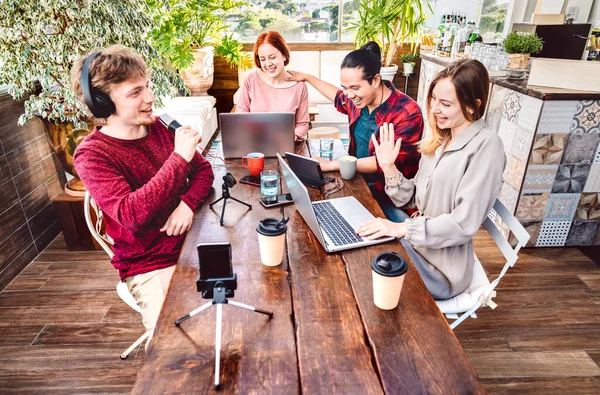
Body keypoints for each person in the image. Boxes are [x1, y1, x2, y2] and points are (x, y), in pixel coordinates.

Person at [71, 46, 215, 345]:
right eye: (135, 92)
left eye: (147, 86)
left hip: (195, 239)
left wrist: (187, 205)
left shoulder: (161, 126)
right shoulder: (92, 155)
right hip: (151, 261)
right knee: (173, 345)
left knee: (237, 313)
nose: (149, 97)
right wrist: (178, 158)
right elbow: (133, 215)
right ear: (102, 104)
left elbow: (204, 172)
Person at [357, 59, 506, 300]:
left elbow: (463, 224)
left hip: (441, 270)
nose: (434, 109)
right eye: (434, 99)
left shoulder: (487, 147)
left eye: (445, 103)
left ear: (472, 106)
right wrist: (388, 167)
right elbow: (413, 197)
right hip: (419, 246)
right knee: (360, 240)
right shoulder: (443, 139)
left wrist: (403, 228)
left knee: (362, 266)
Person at [285, 42, 423, 222]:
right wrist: (307, 77)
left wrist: (335, 164)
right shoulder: (358, 100)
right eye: (345, 87)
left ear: (375, 80)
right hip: (356, 183)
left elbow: (388, 163)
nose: (349, 95)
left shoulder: (408, 112)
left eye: (355, 88)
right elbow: (336, 95)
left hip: (389, 197)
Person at [236, 30, 310, 141]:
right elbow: (240, 117)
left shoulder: (299, 86)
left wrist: (290, 137)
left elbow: (302, 124)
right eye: (263, 59)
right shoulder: (250, 80)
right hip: (254, 143)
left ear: (284, 55)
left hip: (286, 144)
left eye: (272, 57)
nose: (268, 64)